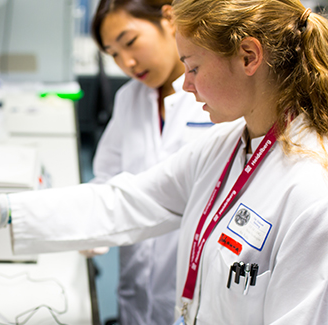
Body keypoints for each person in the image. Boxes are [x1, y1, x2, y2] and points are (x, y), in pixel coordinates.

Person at [0, 0, 328, 323]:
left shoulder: (320, 190)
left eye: (195, 67)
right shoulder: (227, 145)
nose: (185, 85)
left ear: (249, 56)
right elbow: (124, 201)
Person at [82, 0, 211, 323]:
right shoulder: (129, 99)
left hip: (196, 289)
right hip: (136, 287)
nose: (126, 61)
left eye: (129, 42)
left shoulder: (215, 98)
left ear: (168, 19)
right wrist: (93, 226)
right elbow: (107, 178)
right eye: (113, 53)